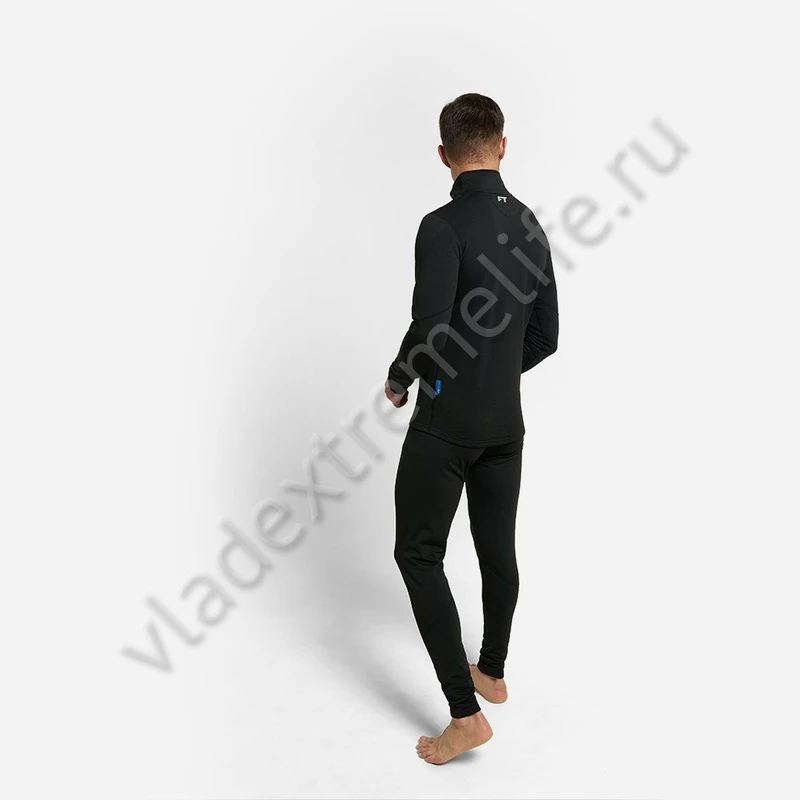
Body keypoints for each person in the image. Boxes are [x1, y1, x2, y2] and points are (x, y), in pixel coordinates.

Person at [384, 93, 559, 764]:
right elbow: (545, 334)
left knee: (417, 555)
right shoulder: (531, 224)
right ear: (502, 146)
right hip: (506, 425)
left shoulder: (441, 225)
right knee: (495, 548)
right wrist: (493, 371)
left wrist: (401, 377)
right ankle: (492, 671)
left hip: (447, 423)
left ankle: (464, 716)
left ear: (444, 155)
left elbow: (430, 328)